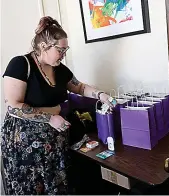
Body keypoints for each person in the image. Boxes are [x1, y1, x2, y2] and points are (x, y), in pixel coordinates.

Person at [1, 16, 115, 195]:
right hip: (26, 147)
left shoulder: (60, 69)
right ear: (43, 46)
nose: (64, 54)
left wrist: (100, 95)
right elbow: (13, 106)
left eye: (65, 49)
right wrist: (50, 116)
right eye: (60, 50)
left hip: (54, 143)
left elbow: (80, 87)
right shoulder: (21, 65)